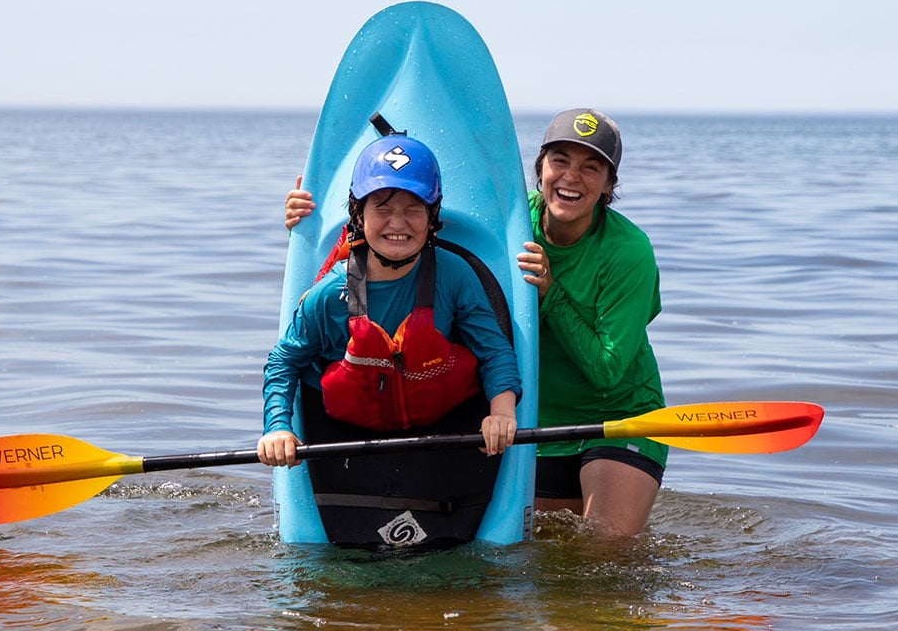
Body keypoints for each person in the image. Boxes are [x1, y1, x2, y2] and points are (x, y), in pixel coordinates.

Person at [283, 110, 666, 538]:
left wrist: (550, 296)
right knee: (540, 559)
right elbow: (401, 217)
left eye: (591, 167)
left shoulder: (628, 252)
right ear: (539, 168)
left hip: (613, 418)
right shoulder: (508, 226)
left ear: (610, 184)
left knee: (604, 546)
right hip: (533, 420)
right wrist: (309, 221)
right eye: (560, 160)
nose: (571, 177)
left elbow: (607, 373)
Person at [258, 134, 521, 469]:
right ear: (358, 215)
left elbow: (494, 350)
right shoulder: (330, 294)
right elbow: (285, 362)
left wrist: (501, 412)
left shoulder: (455, 276)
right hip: (347, 438)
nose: (398, 223)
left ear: (432, 217)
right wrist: (277, 428)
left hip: (445, 430)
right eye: (382, 207)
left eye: (413, 209)